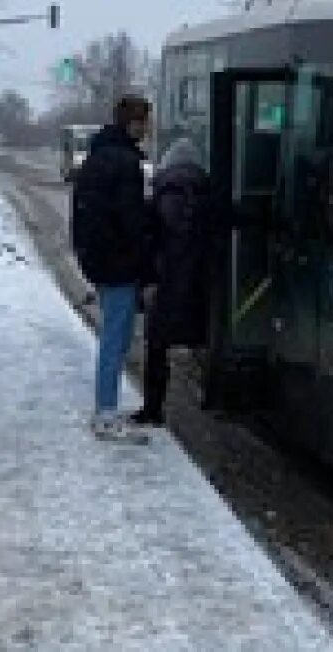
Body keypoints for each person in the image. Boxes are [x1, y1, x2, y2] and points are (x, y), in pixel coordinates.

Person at [70, 95, 154, 443]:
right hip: (118, 261)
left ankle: (107, 409)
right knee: (115, 339)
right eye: (145, 121)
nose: (148, 128)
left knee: (112, 334)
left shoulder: (98, 156)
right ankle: (106, 413)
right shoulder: (125, 163)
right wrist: (145, 263)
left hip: (99, 257)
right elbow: (131, 221)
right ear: (133, 124)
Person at [132, 138, 212, 427]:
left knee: (157, 347)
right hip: (200, 287)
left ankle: (153, 409)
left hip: (165, 285)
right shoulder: (209, 196)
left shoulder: (156, 199)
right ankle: (211, 395)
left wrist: (145, 283)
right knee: (208, 339)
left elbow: (145, 244)